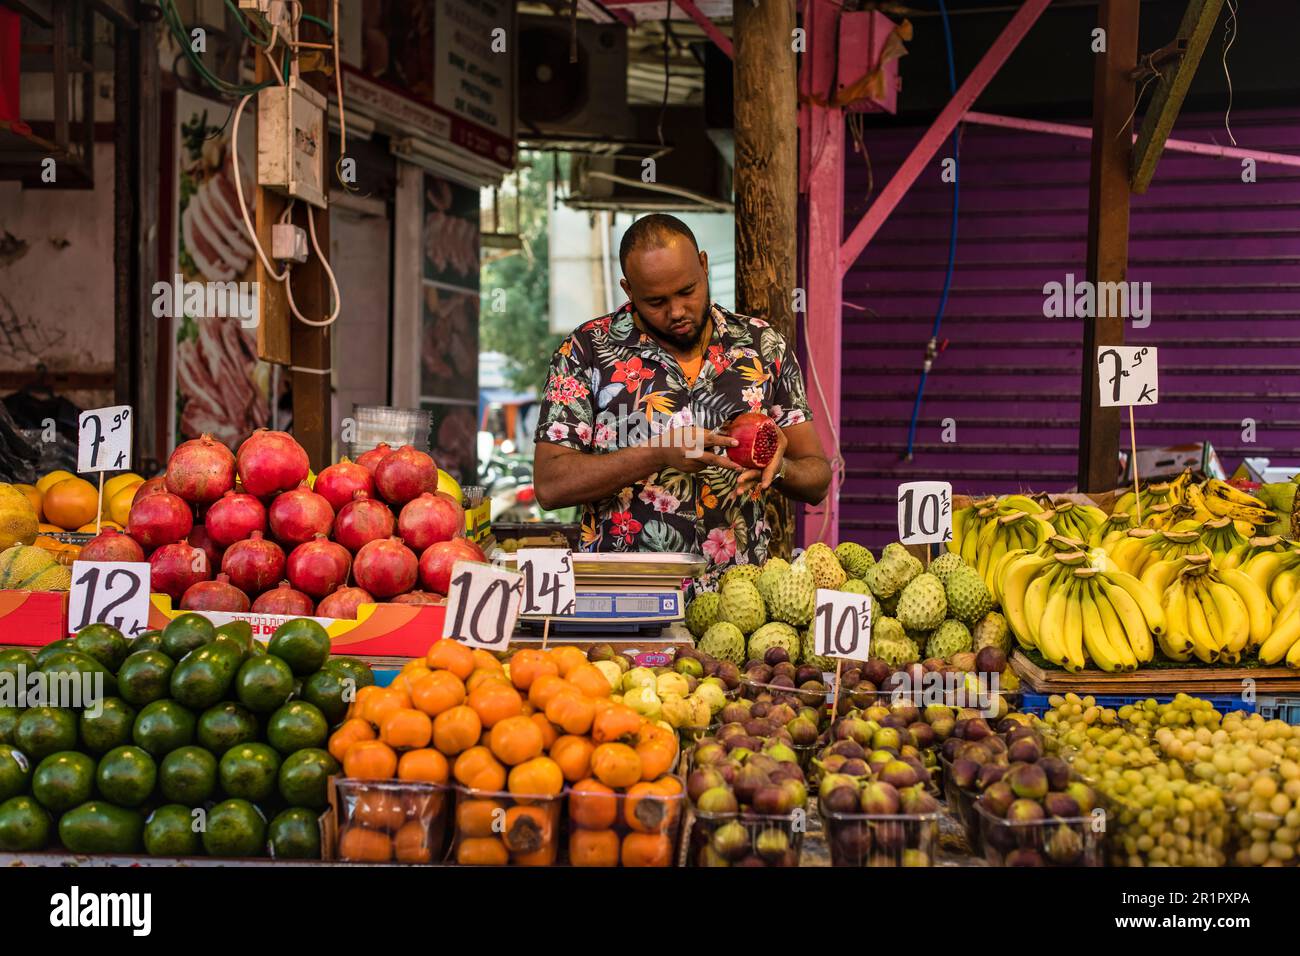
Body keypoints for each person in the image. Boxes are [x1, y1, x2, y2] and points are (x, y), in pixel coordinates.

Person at [532, 213, 831, 581]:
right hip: (625, 598)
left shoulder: (761, 346)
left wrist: (779, 467)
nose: (676, 312)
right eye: (656, 301)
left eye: (687, 291)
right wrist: (657, 454)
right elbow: (549, 485)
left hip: (738, 603)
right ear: (628, 291)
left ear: (704, 266)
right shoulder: (585, 352)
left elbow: (817, 479)